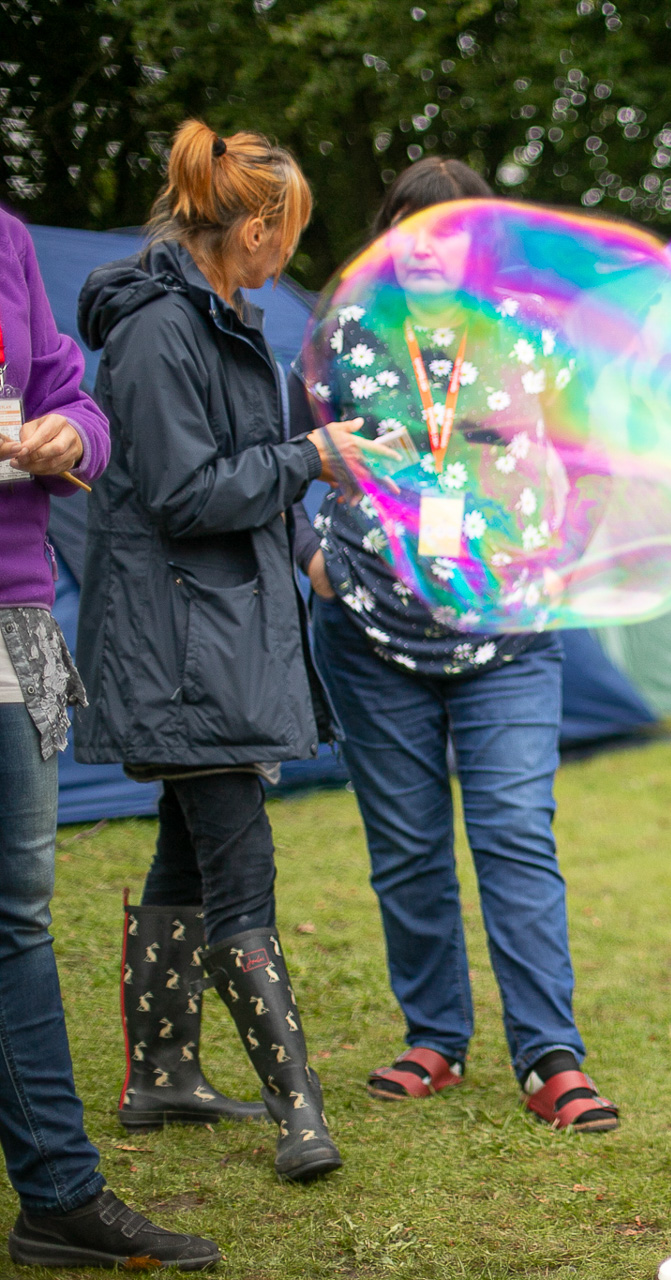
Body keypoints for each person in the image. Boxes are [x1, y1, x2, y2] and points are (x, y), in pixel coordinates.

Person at [75, 120, 372, 1184]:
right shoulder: (160, 333)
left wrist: (310, 486)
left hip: (220, 629)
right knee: (240, 866)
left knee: (188, 848)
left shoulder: (226, 319)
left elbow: (241, 474)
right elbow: (183, 491)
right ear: (249, 226)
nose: (289, 249)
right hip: (183, 643)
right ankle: (302, 1115)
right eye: (284, 229)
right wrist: (308, 457)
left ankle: (161, 1073)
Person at [299, 156, 619, 1132]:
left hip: (510, 635)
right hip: (365, 630)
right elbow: (272, 454)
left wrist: (565, 554)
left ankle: (549, 1055)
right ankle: (435, 1035)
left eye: (454, 226)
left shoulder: (539, 340)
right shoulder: (342, 335)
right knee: (406, 846)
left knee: (516, 835)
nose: (430, 243)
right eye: (410, 224)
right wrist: (307, 555)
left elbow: (594, 462)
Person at [0, 206, 221, 1270]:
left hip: (14, 620)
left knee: (16, 915)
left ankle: (58, 1193)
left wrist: (69, 434)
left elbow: (69, 394)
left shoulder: (3, 238)